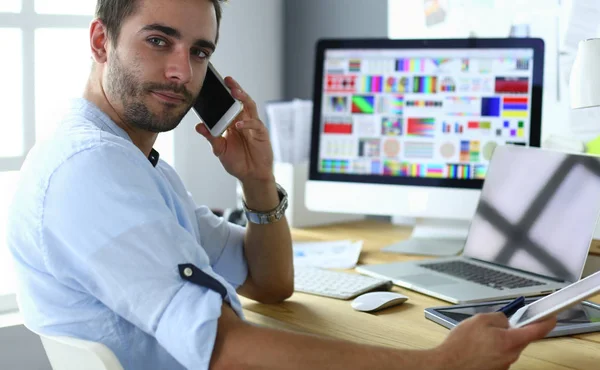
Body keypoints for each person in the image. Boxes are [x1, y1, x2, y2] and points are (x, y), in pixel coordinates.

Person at [6, 0, 556, 369]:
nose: (182, 72)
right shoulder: (92, 172)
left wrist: (258, 182)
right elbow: (222, 348)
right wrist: (437, 363)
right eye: (158, 41)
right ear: (101, 41)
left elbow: (269, 284)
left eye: (199, 51)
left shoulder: (134, 165)